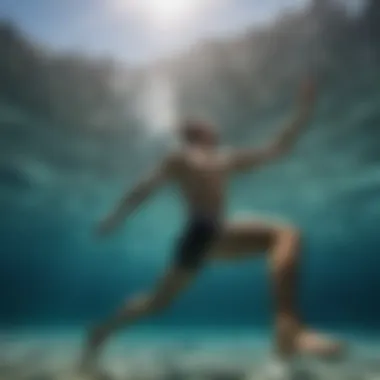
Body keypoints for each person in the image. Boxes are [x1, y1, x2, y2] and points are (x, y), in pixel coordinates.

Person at [80, 78, 343, 373]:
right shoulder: (181, 156)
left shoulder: (222, 157)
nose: (215, 127)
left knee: (158, 301)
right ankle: (289, 328)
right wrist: (115, 217)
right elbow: (144, 188)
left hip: (209, 237)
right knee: (158, 302)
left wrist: (302, 110)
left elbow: (276, 149)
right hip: (201, 234)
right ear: (198, 132)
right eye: (207, 124)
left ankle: (101, 331)